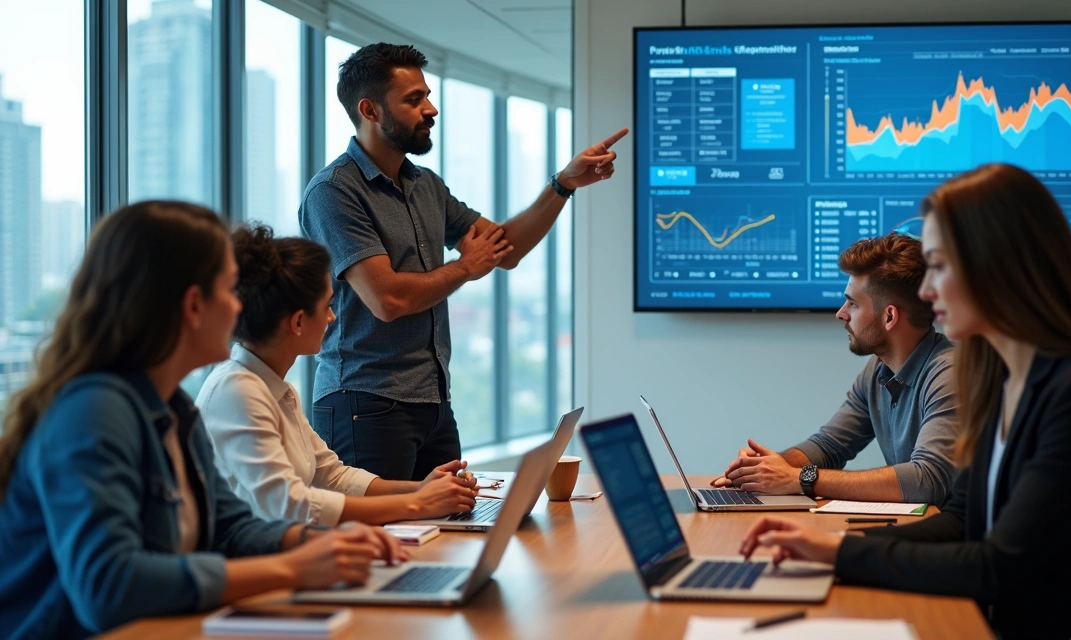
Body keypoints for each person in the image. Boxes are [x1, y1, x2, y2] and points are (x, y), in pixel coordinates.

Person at [738, 164, 1071, 640]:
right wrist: (829, 545)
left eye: (940, 266)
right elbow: (960, 523)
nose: (926, 291)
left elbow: (995, 565)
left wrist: (843, 554)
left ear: (998, 269)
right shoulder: (999, 378)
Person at [0, 202, 404, 639]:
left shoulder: (175, 408)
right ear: (194, 305)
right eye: (231, 290)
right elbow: (108, 587)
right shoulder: (93, 411)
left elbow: (229, 529)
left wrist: (313, 544)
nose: (240, 308)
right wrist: (290, 568)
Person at [300, 42, 628, 481]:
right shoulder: (335, 192)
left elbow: (503, 249)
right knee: (383, 544)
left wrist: (563, 184)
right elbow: (387, 298)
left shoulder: (425, 185)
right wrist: (465, 268)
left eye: (428, 95)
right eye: (414, 100)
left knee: (446, 532)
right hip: (366, 403)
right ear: (370, 110)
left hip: (432, 402)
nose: (431, 109)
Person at [198, 225, 480, 528]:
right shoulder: (237, 390)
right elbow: (289, 504)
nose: (332, 317)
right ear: (297, 322)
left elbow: (332, 475)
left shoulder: (274, 388)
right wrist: (417, 503)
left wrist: (423, 488)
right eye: (327, 306)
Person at [712, 233, 959, 505]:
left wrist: (798, 479)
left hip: (957, 539)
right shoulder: (878, 369)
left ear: (889, 316)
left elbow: (927, 480)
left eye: (853, 303)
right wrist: (764, 470)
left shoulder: (949, 374)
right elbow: (830, 445)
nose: (841, 313)